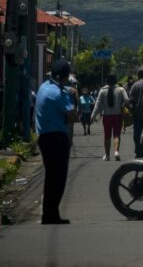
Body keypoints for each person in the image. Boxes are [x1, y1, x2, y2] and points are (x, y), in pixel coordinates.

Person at [35, 60, 78, 225]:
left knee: (50, 177)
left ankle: (49, 213)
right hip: (57, 139)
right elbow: (73, 116)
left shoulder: (44, 87)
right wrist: (72, 99)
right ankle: (52, 214)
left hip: (44, 137)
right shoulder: (60, 94)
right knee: (58, 179)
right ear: (64, 77)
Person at [91, 74, 129, 161]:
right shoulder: (121, 89)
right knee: (116, 135)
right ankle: (116, 152)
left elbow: (97, 104)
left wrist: (93, 115)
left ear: (107, 81)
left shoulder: (102, 90)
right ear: (116, 80)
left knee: (107, 136)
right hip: (117, 116)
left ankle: (107, 155)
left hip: (107, 116)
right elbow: (127, 100)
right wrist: (123, 105)